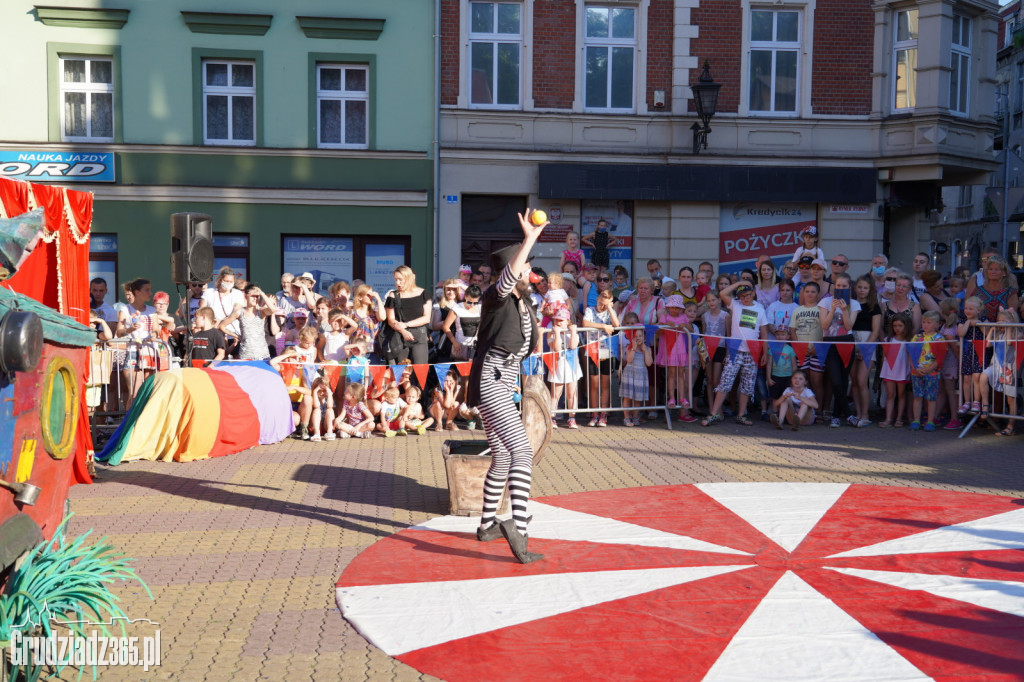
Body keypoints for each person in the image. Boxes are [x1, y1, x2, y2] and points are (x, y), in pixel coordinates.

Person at [466, 209, 545, 564]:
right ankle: (519, 529)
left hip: (502, 379)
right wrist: (530, 237)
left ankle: (487, 526)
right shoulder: (497, 296)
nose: (530, 270)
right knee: (522, 452)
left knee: (501, 456)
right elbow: (509, 276)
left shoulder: (521, 302)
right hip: (493, 379)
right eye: (525, 265)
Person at [701, 282, 768, 426]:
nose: (746, 298)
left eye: (748, 295)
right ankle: (713, 413)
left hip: (752, 352)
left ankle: (741, 415)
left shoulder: (760, 309)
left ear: (754, 293)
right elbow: (722, 294)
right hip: (735, 350)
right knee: (725, 381)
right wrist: (740, 283)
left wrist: (765, 353)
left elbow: (764, 333)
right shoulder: (735, 305)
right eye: (742, 296)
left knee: (747, 385)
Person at [977, 307, 1020, 436]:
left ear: (1012, 322)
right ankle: (985, 405)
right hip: (996, 366)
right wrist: (992, 328)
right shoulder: (998, 333)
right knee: (984, 376)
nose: (1000, 323)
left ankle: (1011, 426)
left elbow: (1008, 342)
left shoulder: (1018, 333)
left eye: (1003, 321)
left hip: (1009, 369)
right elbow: (988, 344)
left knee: (1010, 399)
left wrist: (1009, 328)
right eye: (999, 320)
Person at [582, 289, 620, 427]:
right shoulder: (590, 310)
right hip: (593, 350)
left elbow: (616, 325)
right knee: (594, 384)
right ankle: (594, 413)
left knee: (605, 384)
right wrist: (603, 326)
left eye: (606, 304)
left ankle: (603, 414)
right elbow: (585, 323)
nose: (602, 306)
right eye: (601, 303)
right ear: (597, 299)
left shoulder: (609, 311)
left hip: (607, 351)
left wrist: (610, 308)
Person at [849, 275, 882, 427]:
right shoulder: (850, 304)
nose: (862, 290)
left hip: (867, 342)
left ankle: (865, 414)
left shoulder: (873, 306)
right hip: (851, 340)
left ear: (870, 290)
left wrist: (866, 348)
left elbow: (875, 331)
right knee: (854, 381)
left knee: (862, 380)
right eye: (860, 287)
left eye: (865, 288)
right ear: (855, 288)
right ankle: (857, 413)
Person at [384, 266, 432, 365]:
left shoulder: (423, 293)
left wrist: (406, 324)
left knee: (420, 370)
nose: (398, 283)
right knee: (401, 371)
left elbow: (426, 318)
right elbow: (391, 319)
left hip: (419, 335)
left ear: (409, 278)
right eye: (396, 280)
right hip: (399, 336)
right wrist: (403, 330)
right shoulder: (393, 295)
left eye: (400, 280)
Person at [656, 294, 693, 420]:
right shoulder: (664, 317)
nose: (675, 310)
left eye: (677, 307)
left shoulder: (684, 317)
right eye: (673, 307)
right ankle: (671, 397)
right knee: (671, 373)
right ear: (668, 307)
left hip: (681, 349)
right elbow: (658, 332)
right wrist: (666, 326)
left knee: (681, 374)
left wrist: (685, 326)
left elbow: (691, 330)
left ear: (681, 309)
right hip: (670, 349)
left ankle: (682, 397)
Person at [218, 284, 277, 360]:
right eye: (253, 296)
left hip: (263, 354)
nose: (255, 298)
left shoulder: (261, 311)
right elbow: (222, 326)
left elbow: (273, 310)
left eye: (257, 296)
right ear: (246, 296)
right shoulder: (239, 312)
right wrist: (236, 336)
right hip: (245, 354)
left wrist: (262, 293)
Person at [547, 308, 582, 429]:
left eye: (561, 320)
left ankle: (572, 418)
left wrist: (573, 332)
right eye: (557, 320)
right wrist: (556, 333)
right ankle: (552, 418)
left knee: (571, 394)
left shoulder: (573, 332)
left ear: (568, 321)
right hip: (557, 367)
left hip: (571, 366)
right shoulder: (551, 332)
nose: (558, 322)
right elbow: (556, 348)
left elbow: (572, 346)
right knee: (555, 394)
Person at [908, 310, 944, 431]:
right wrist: (914, 368)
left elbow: (940, 358)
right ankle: (916, 420)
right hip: (916, 372)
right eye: (924, 322)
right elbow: (911, 354)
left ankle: (930, 421)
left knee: (931, 398)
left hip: (932, 373)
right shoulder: (916, 337)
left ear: (937, 324)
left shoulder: (939, 339)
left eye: (929, 322)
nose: (925, 325)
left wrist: (929, 369)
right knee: (917, 396)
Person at [879, 312, 912, 428]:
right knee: (890, 394)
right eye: (895, 326)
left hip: (902, 371)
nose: (897, 328)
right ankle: (888, 418)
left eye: (900, 326)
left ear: (906, 326)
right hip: (889, 371)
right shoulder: (888, 339)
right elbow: (884, 356)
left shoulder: (909, 340)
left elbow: (910, 357)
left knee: (901, 395)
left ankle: (899, 418)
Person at [619, 311, 652, 427]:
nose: (638, 338)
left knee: (637, 399)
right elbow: (628, 360)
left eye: (640, 336)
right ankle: (626, 416)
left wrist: (644, 350)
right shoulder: (630, 348)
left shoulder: (647, 349)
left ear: (644, 337)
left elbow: (649, 363)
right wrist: (633, 348)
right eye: (635, 336)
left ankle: (636, 416)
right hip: (630, 374)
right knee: (627, 397)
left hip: (640, 375)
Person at [958, 296, 986, 414]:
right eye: (966, 308)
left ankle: (976, 401)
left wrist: (979, 324)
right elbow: (960, 333)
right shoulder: (962, 321)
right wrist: (968, 323)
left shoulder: (984, 319)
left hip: (979, 352)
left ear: (978, 311)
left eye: (971, 309)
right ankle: (967, 402)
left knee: (976, 377)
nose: (967, 311)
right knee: (967, 378)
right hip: (967, 352)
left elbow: (987, 332)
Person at [766, 326, 798, 420]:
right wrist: (768, 378)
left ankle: (785, 416)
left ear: (788, 336)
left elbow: (794, 365)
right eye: (778, 334)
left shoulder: (790, 349)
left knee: (785, 397)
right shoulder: (772, 348)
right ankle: (775, 414)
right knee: (775, 397)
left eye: (783, 334)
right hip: (775, 377)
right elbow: (769, 364)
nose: (780, 337)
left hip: (787, 377)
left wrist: (793, 379)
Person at [443, 285, 481, 360]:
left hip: (476, 346)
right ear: (465, 296)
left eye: (475, 303)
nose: (472, 305)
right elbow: (445, 326)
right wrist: (454, 342)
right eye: (469, 302)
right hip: (460, 346)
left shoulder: (480, 307)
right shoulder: (457, 308)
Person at [308, 373, 336, 442]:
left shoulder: (328, 398)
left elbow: (330, 406)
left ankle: (330, 432)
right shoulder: (313, 398)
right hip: (316, 427)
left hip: (327, 425)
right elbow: (316, 406)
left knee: (330, 410)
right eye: (319, 391)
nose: (321, 393)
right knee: (317, 410)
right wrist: (314, 392)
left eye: (323, 391)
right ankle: (316, 433)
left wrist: (329, 393)